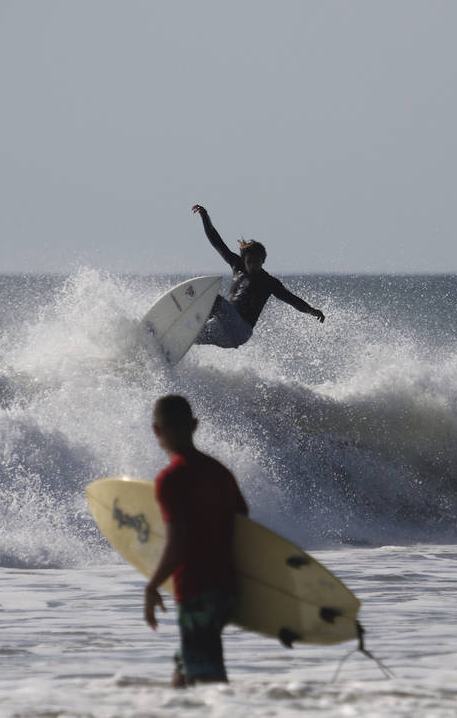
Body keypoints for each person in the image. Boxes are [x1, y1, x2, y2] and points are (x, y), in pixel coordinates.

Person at [143, 395, 249, 687]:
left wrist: (152, 586)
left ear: (156, 431)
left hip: (196, 590)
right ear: (194, 425)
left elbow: (177, 545)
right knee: (186, 669)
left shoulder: (171, 479)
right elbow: (243, 522)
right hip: (226, 590)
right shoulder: (220, 472)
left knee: (209, 681)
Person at [191, 204, 325, 348]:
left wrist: (311, 310)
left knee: (213, 298)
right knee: (190, 337)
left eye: (257, 262)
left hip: (240, 330)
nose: (253, 265)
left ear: (263, 261)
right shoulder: (237, 265)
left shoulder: (269, 282)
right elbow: (216, 241)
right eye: (250, 262)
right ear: (244, 260)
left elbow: (292, 299)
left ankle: (201, 319)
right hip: (222, 330)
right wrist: (205, 215)